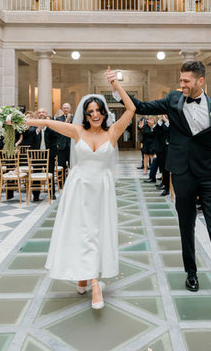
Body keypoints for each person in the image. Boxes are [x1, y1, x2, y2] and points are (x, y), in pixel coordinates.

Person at [108, 61, 211, 301]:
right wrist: (116, 88)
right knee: (186, 225)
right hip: (182, 173)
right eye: (181, 80)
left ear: (200, 81)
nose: (181, 84)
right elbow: (141, 106)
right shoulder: (173, 99)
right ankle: (191, 272)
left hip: (208, 174)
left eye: (186, 80)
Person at [25, 67, 135, 310]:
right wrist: (20, 120)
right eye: (90, 111)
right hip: (79, 188)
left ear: (104, 112)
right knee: (83, 232)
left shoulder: (113, 132)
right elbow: (47, 121)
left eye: (98, 110)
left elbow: (131, 109)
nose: (95, 115)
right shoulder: (77, 130)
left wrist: (115, 85)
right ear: (85, 115)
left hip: (102, 190)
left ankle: (85, 277)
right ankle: (94, 283)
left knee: (96, 232)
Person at [24, 108, 58, 202]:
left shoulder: (51, 127)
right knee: (36, 174)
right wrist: (37, 130)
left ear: (46, 114)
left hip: (49, 155)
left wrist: (46, 127)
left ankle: (52, 193)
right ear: (37, 115)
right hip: (37, 156)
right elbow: (28, 140)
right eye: (39, 112)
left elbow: (56, 139)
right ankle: (36, 195)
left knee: (50, 173)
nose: (41, 114)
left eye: (43, 112)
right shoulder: (33, 127)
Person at [153, 114, 170, 196]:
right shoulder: (161, 123)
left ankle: (167, 188)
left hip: (168, 150)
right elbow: (155, 131)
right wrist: (159, 121)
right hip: (160, 149)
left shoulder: (170, 123)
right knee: (162, 168)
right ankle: (164, 183)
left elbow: (168, 131)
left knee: (166, 169)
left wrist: (166, 121)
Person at [54, 103, 73, 170]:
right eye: (64, 108)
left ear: (70, 109)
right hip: (62, 145)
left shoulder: (74, 118)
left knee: (72, 164)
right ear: (62, 109)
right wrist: (67, 119)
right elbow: (62, 128)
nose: (66, 109)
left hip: (71, 145)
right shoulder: (58, 119)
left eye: (67, 108)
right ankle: (62, 177)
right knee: (61, 165)